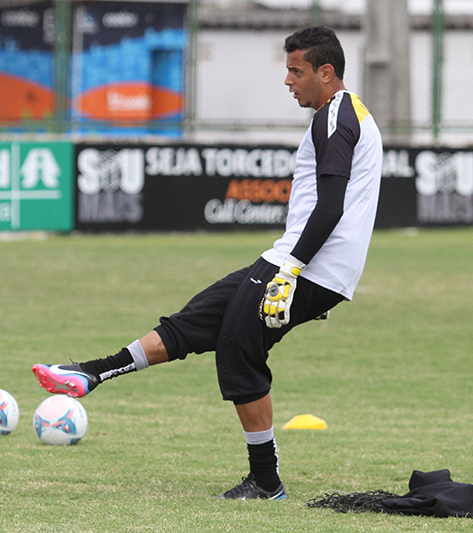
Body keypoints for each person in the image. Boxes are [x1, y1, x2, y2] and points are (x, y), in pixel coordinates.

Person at [33, 25, 383, 500]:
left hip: (305, 266)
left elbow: (331, 207)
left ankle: (266, 481)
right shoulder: (342, 115)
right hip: (303, 264)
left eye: (296, 71)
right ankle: (93, 371)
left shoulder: (335, 117)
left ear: (326, 72)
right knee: (201, 318)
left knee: (238, 349)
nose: (288, 81)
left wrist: (293, 271)